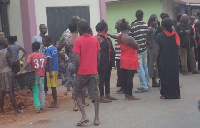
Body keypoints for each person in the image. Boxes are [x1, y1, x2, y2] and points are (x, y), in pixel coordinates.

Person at [73, 20, 100, 126]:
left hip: (82, 72)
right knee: (95, 94)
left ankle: (84, 115)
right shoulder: (95, 40)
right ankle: (96, 118)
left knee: (77, 92)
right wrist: (95, 67)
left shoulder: (78, 41)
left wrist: (76, 71)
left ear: (79, 29)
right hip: (93, 71)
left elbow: (76, 60)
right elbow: (98, 56)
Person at [154, 18, 180, 99]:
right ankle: (175, 94)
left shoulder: (159, 36)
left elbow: (157, 50)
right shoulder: (175, 35)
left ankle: (165, 94)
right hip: (174, 59)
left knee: (164, 77)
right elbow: (178, 47)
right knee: (174, 76)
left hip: (163, 60)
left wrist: (155, 61)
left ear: (163, 26)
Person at [18, 41, 46, 113]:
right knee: (42, 90)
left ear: (32, 48)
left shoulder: (31, 56)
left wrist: (20, 71)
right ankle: (43, 106)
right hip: (42, 75)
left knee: (35, 91)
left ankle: (37, 107)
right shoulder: (43, 55)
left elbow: (27, 64)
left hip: (34, 75)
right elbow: (45, 65)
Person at [117, 18, 140, 101]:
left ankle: (126, 95)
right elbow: (137, 46)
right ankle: (130, 95)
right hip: (130, 59)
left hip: (123, 59)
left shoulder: (119, 37)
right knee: (130, 78)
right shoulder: (129, 38)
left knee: (125, 78)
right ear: (127, 28)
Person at [96, 20, 117, 103]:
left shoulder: (106, 37)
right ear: (105, 28)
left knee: (107, 78)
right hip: (102, 62)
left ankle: (107, 94)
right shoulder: (98, 38)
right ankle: (101, 96)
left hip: (108, 61)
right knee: (101, 79)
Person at [0, 38, 22, 115]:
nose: (7, 43)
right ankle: (16, 110)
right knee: (11, 92)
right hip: (7, 73)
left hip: (1, 73)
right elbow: (11, 64)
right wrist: (13, 56)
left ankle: (1, 110)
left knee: (2, 92)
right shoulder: (7, 52)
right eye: (6, 42)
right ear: (3, 43)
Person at [130, 10, 149, 93]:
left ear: (135, 16)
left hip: (137, 49)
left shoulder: (133, 26)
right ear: (142, 16)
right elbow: (147, 36)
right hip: (144, 48)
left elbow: (130, 37)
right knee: (145, 66)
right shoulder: (145, 25)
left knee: (140, 67)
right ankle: (147, 84)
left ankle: (144, 86)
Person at [108, 20, 125, 94]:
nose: (115, 25)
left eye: (117, 24)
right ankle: (122, 87)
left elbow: (114, 36)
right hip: (118, 56)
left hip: (121, 56)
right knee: (120, 73)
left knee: (121, 73)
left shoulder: (121, 34)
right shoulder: (118, 33)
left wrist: (107, 33)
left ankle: (124, 88)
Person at [43, 36, 59, 108]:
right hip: (55, 68)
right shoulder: (54, 48)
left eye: (44, 41)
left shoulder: (48, 50)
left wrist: (50, 72)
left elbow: (49, 60)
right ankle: (55, 101)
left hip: (51, 70)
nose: (43, 43)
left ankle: (55, 103)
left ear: (48, 41)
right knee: (54, 86)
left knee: (53, 87)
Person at [32, 24, 48, 93]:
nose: (45, 30)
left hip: (46, 58)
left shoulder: (47, 37)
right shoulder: (36, 38)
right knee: (40, 74)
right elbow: (33, 47)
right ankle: (41, 89)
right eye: (43, 28)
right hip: (39, 59)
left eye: (46, 28)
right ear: (40, 29)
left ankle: (45, 89)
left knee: (46, 74)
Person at [147, 16, 160, 87]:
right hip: (152, 48)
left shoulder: (156, 27)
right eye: (155, 20)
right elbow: (145, 34)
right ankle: (153, 81)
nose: (157, 22)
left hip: (155, 46)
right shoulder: (150, 28)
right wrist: (148, 42)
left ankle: (155, 80)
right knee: (152, 63)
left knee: (156, 63)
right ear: (152, 22)